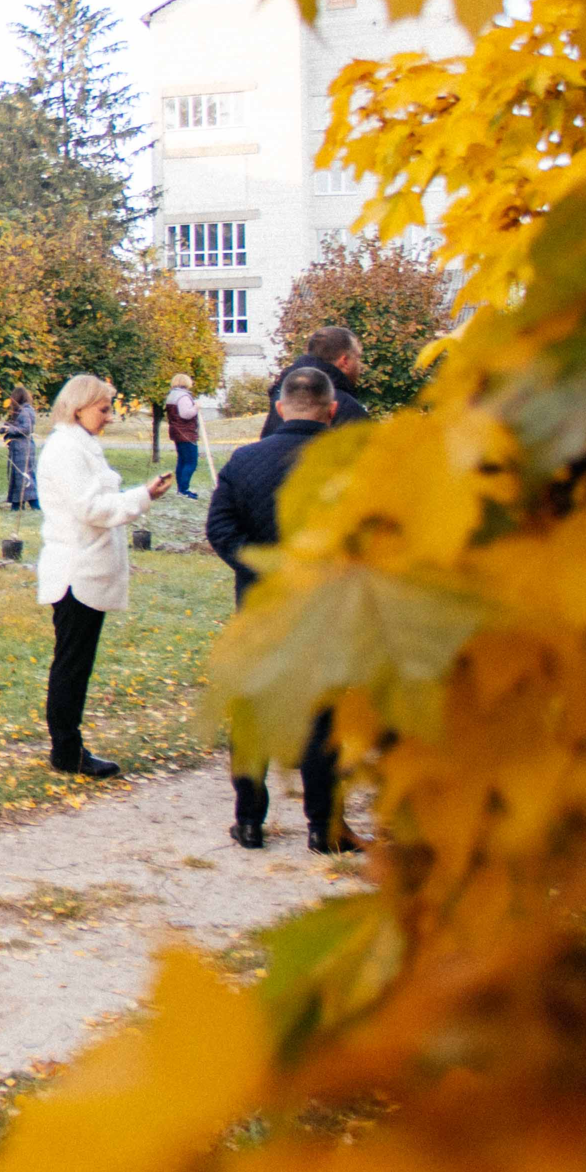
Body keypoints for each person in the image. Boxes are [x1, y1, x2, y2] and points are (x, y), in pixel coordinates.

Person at [208, 364, 355, 851]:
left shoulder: (244, 460)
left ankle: (249, 820)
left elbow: (220, 529)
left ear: (279, 408)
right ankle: (323, 826)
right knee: (321, 717)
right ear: (332, 411)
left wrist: (260, 565)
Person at [35, 373, 174, 779]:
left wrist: (141, 495)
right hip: (75, 572)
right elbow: (91, 509)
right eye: (104, 409)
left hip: (88, 568)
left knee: (76, 663)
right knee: (71, 665)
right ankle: (66, 750)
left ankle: (68, 746)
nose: (110, 417)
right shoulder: (65, 449)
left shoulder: (81, 444)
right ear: (78, 407)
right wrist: (143, 496)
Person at [283, 325, 370, 423]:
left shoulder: (281, 400)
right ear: (345, 361)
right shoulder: (348, 410)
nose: (360, 366)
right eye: (357, 358)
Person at [165, 376, 205, 498]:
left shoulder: (172, 395)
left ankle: (181, 489)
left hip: (177, 432)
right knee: (191, 462)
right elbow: (186, 414)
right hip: (186, 433)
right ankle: (184, 490)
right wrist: (196, 407)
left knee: (182, 461)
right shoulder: (183, 396)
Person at [2, 390, 40, 511]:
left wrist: (9, 429)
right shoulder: (19, 411)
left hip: (23, 448)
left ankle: (35, 505)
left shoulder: (26, 411)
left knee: (24, 475)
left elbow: (26, 429)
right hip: (18, 448)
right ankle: (17, 505)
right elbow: (16, 426)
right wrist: (4, 428)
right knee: (18, 476)